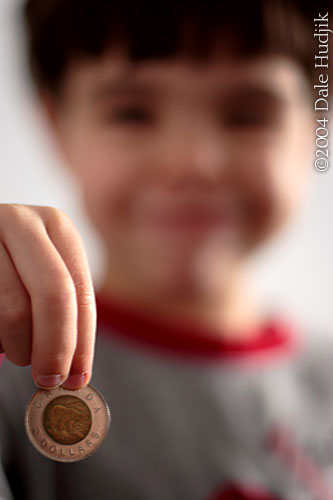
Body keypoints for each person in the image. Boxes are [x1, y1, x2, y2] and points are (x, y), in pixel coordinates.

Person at [0, 0, 332, 498]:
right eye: (132, 113)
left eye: (247, 115)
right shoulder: (12, 374)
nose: (192, 162)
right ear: (56, 126)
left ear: (317, 126)